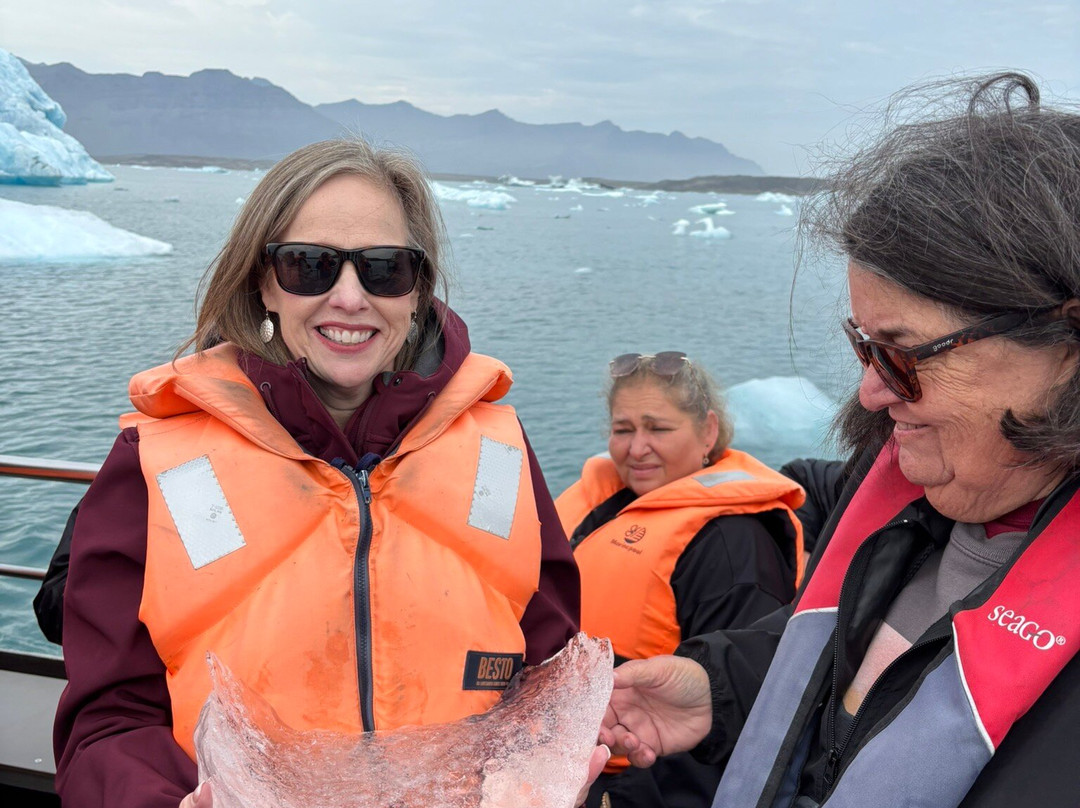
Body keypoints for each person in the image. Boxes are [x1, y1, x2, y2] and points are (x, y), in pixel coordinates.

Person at [52, 138, 586, 808]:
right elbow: (108, 725)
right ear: (263, 282)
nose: (350, 297)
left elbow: (549, 682)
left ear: (418, 290)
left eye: (385, 269)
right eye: (309, 266)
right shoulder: (157, 462)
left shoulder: (497, 452)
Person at [595, 73, 1080, 808]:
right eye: (865, 347)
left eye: (904, 354)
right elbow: (854, 664)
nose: (871, 393)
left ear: (1066, 342)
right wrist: (716, 689)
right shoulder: (903, 498)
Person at [556, 351, 805, 808]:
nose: (637, 448)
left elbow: (736, 712)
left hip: (632, 786)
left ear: (708, 431)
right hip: (558, 764)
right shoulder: (604, 506)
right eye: (623, 429)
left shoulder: (733, 546)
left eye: (658, 429)